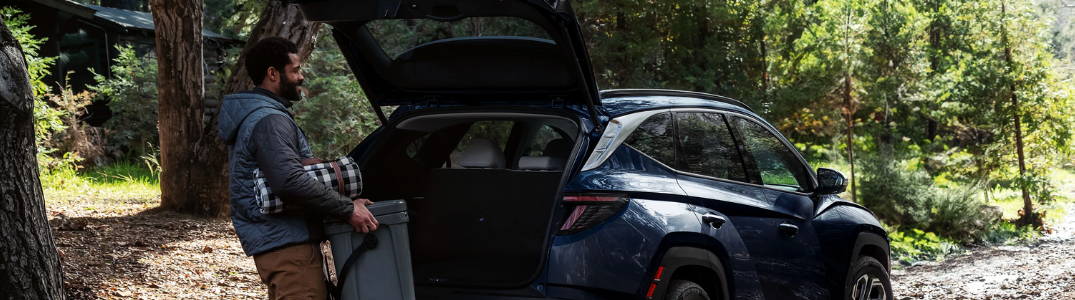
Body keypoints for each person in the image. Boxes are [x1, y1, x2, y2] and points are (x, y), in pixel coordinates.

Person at [217, 37, 379, 300]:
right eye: (295, 70)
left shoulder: (261, 114)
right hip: (288, 249)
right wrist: (348, 209)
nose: (301, 77)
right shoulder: (269, 119)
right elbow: (289, 182)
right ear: (272, 73)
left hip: (282, 245)